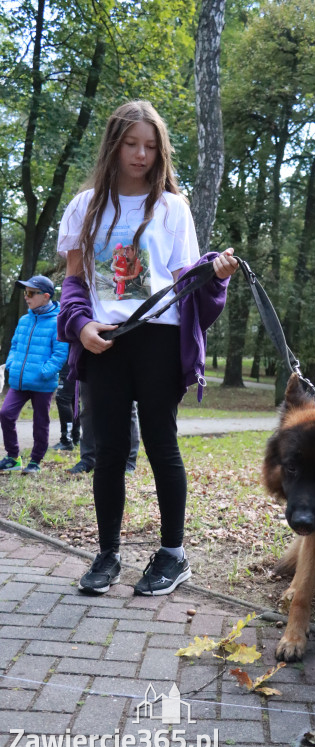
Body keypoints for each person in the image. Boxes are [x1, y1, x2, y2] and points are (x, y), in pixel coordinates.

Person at [57, 100, 238, 597]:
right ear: (113, 145)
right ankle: (107, 553)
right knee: (108, 451)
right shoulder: (85, 206)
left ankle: (173, 555)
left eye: (151, 146)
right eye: (132, 144)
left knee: (161, 445)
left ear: (161, 151)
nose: (140, 155)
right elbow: (73, 284)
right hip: (105, 342)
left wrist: (214, 275)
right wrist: (79, 325)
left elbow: (184, 284)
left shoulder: (172, 208)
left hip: (159, 338)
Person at [0, 276, 69, 473]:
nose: (26, 297)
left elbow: (60, 353)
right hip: (19, 381)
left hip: (42, 383)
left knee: (40, 422)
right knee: (5, 414)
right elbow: (14, 346)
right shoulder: (24, 319)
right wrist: (12, 364)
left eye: (30, 293)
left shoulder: (58, 321)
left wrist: (44, 372)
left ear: (46, 296)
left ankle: (35, 461)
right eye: (25, 293)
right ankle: (13, 457)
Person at [68, 384, 140, 475]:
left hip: (124, 370)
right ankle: (88, 459)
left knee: (127, 406)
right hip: (91, 370)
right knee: (88, 406)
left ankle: (129, 461)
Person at [53, 358, 81, 451]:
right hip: (75, 365)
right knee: (74, 400)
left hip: (71, 366)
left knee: (63, 399)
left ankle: (67, 440)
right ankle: (75, 438)